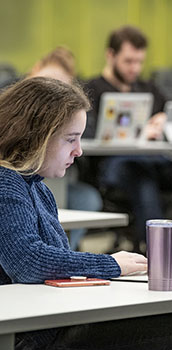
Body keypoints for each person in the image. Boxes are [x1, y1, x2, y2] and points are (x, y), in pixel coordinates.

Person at [0, 77, 172, 350]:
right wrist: (112, 264)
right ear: (37, 136)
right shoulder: (5, 183)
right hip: (24, 348)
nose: (79, 151)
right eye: (70, 139)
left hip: (46, 327)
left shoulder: (36, 187)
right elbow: (29, 262)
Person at [84, 25, 172, 254]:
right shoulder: (92, 90)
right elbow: (85, 135)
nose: (135, 68)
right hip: (113, 164)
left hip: (155, 161)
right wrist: (138, 133)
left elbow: (168, 118)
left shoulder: (149, 89)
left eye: (140, 62)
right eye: (129, 61)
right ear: (110, 55)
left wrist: (165, 124)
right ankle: (158, 253)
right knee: (142, 178)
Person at [29, 46, 103, 251]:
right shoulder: (10, 184)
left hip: (58, 184)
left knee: (87, 199)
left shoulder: (39, 190)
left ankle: (67, 250)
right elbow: (30, 262)